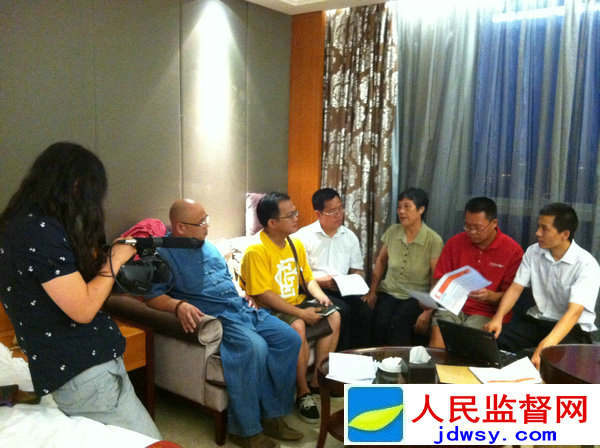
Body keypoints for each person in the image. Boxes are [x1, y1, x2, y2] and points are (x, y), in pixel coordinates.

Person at [0, 142, 161, 439]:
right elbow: (84, 309)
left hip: (75, 369)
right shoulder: (39, 232)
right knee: (150, 442)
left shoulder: (17, 226)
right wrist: (115, 258)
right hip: (85, 372)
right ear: (75, 185)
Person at [145, 199, 303, 448]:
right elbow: (152, 297)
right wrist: (178, 305)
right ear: (181, 227)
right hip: (218, 317)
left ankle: (272, 415)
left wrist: (243, 293)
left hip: (241, 308)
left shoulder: (208, 247)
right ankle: (245, 430)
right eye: (201, 222)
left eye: (206, 219)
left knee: (289, 338)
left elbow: (224, 280)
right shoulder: (162, 255)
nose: (207, 227)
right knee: (255, 347)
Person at [240, 192, 340, 424]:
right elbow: (263, 294)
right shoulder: (256, 250)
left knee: (334, 316)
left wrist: (321, 296)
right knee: (298, 325)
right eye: (291, 214)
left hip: (295, 301)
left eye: (295, 212)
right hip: (268, 308)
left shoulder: (294, 243)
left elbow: (308, 279)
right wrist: (301, 313)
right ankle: (303, 392)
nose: (297, 217)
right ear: (272, 223)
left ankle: (317, 381)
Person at [485, 203, 600, 369]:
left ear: (565, 234)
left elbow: (574, 313)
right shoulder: (533, 252)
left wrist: (545, 346)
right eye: (538, 227)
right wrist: (498, 318)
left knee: (541, 359)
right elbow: (516, 288)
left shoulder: (586, 264)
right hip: (538, 322)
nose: (537, 233)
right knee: (491, 341)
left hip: (571, 329)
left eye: (544, 229)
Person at [429, 197, 523, 348]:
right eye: (467, 226)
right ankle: (435, 363)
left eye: (478, 228)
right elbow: (440, 278)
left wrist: (490, 296)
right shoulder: (455, 243)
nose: (472, 232)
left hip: (486, 313)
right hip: (454, 306)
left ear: (494, 223)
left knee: (467, 338)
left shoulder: (512, 250)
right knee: (439, 330)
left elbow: (512, 294)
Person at [293, 188, 372, 349]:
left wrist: (356, 281)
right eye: (332, 211)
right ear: (318, 214)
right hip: (313, 289)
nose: (339, 214)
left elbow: (357, 270)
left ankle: (360, 356)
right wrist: (323, 282)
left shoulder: (349, 236)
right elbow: (298, 276)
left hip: (342, 289)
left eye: (340, 208)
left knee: (365, 311)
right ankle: (341, 357)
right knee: (343, 310)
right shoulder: (303, 237)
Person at [364, 188, 443, 346]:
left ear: (421, 209)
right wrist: (372, 292)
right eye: (399, 207)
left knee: (399, 324)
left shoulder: (433, 240)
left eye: (407, 207)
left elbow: (436, 277)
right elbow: (381, 261)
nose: (401, 211)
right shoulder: (393, 231)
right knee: (377, 322)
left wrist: (429, 310)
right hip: (389, 292)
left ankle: (399, 361)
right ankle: (375, 359)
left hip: (416, 297)